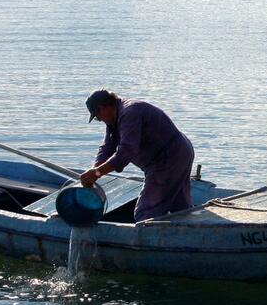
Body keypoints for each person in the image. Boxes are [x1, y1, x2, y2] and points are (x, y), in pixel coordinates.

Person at [78, 89, 195, 221]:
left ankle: (150, 238)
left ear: (103, 108)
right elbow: (107, 148)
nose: (99, 120)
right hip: (179, 152)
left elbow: (126, 153)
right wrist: (94, 170)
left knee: (145, 214)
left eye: (97, 116)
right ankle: (189, 236)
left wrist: (97, 173)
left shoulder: (129, 113)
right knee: (180, 208)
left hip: (168, 158)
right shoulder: (114, 119)